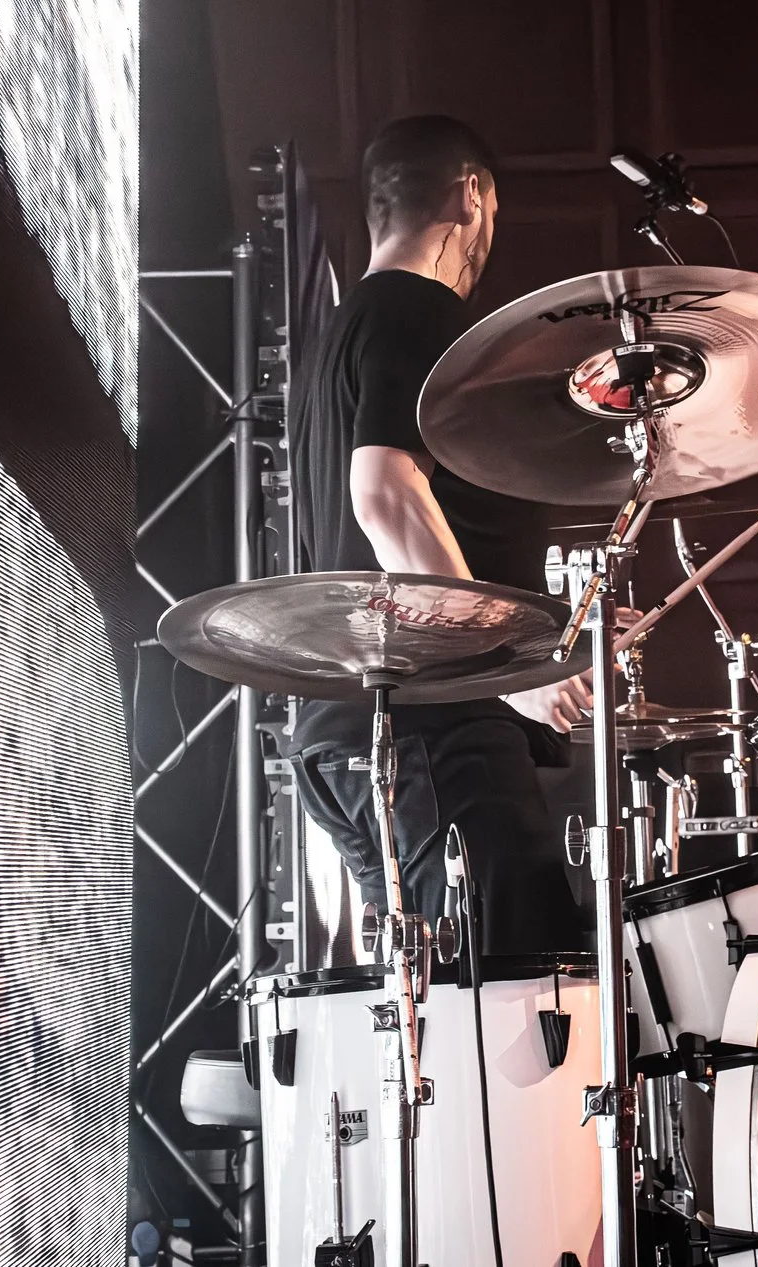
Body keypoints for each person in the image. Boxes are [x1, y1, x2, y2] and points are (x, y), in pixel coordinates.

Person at [286, 114, 594, 955]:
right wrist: (509, 671)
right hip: (432, 734)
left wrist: (552, 633)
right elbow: (384, 497)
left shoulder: (332, 341)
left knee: (441, 1010)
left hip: (354, 734)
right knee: (520, 990)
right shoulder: (419, 310)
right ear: (470, 196)